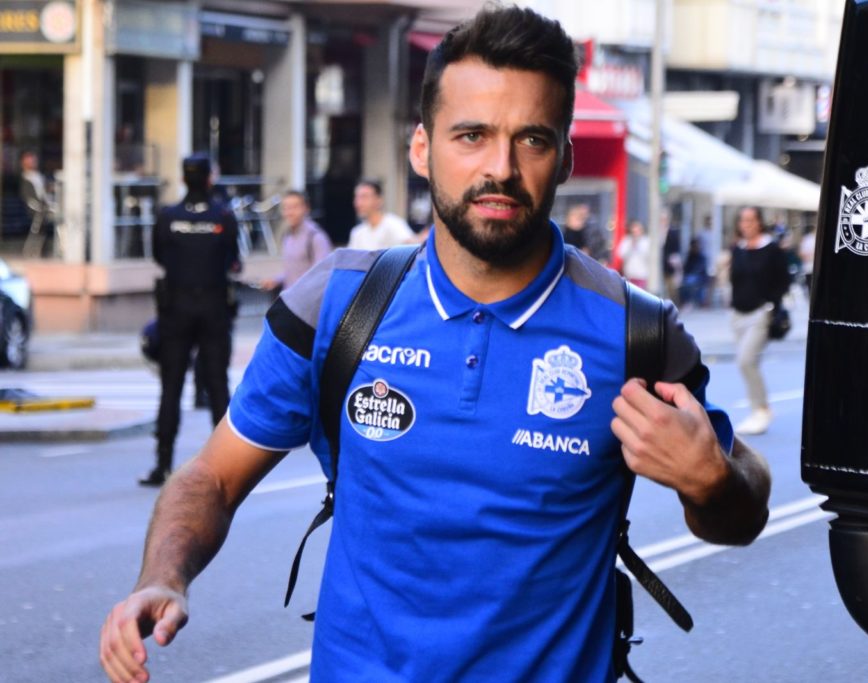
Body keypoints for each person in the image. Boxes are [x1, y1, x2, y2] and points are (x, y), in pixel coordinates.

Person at [99, 8, 770, 682]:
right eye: (472, 135)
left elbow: (742, 509)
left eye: (532, 139)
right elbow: (212, 479)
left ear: (565, 157)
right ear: (422, 148)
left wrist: (711, 482)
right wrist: (162, 576)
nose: (501, 168)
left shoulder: (635, 332)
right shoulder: (336, 304)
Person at [140, 153, 240, 487]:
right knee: (217, 385)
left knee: (171, 387)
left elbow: (158, 256)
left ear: (184, 179)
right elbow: (233, 259)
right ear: (210, 179)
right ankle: (227, 465)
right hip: (214, 307)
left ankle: (163, 462)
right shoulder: (223, 216)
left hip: (176, 309)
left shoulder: (168, 216)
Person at [729, 206, 791, 436]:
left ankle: (762, 409)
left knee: (745, 361)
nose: (746, 224)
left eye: (751, 220)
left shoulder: (771, 249)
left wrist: (770, 304)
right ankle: (756, 410)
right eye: (743, 220)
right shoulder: (738, 249)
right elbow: (734, 280)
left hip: (760, 313)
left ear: (759, 222)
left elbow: (784, 280)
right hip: (738, 314)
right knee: (749, 364)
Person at [261, 189, 333, 292]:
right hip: (289, 297)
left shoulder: (316, 237)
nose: (289, 212)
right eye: (286, 208)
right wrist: (276, 280)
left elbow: (322, 276)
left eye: (294, 207)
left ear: (306, 208)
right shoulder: (287, 236)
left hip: (307, 298)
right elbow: (292, 272)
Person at [347, 178, 415, 249]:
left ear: (379, 200)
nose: (358, 203)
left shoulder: (393, 224)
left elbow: (412, 246)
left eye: (364, 197)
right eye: (357, 197)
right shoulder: (357, 233)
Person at [616, 218, 650, 289]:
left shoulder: (646, 241)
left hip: (641, 275)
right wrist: (630, 245)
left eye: (637, 231)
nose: (635, 233)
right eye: (634, 231)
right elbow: (620, 254)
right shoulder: (627, 240)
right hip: (629, 275)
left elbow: (648, 256)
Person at [681, 237, 710, 308]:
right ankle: (687, 301)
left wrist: (692, 274)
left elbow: (700, 269)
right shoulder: (690, 256)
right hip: (691, 276)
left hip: (700, 277)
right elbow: (686, 268)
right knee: (686, 282)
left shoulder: (702, 256)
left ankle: (698, 302)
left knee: (689, 281)